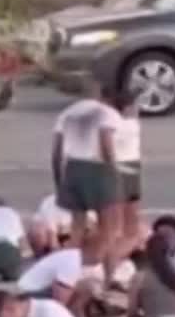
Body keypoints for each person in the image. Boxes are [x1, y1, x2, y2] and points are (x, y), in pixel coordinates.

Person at [52, 80, 125, 283]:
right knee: (110, 229)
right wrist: (115, 173)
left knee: (77, 230)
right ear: (100, 92)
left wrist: (60, 180)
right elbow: (106, 142)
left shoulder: (66, 114)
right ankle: (108, 278)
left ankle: (68, 278)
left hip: (72, 169)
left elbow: (56, 151)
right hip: (98, 169)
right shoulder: (106, 113)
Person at [110, 90, 149, 263]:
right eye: (134, 106)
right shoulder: (132, 125)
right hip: (129, 170)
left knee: (116, 225)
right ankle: (113, 260)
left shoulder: (109, 126)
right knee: (130, 229)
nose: (137, 109)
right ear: (127, 109)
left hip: (112, 171)